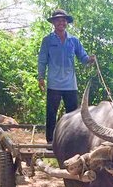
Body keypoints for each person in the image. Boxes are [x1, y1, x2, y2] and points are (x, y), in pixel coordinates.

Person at [37, 9, 96, 144]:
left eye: (63, 20)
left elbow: (82, 57)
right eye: (58, 20)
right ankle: (50, 142)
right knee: (51, 114)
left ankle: (72, 142)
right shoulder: (47, 40)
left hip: (70, 84)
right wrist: (41, 78)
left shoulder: (73, 41)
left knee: (74, 115)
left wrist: (89, 59)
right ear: (53, 23)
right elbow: (42, 60)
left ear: (67, 23)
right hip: (54, 84)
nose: (61, 22)